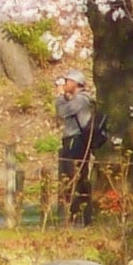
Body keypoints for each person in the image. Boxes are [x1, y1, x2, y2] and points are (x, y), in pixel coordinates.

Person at [54, 69, 96, 224]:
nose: (64, 84)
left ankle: (76, 214)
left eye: (67, 81)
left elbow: (62, 112)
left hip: (75, 141)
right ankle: (76, 214)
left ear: (76, 83)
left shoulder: (80, 100)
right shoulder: (78, 99)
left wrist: (59, 97)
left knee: (72, 176)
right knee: (74, 176)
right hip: (76, 141)